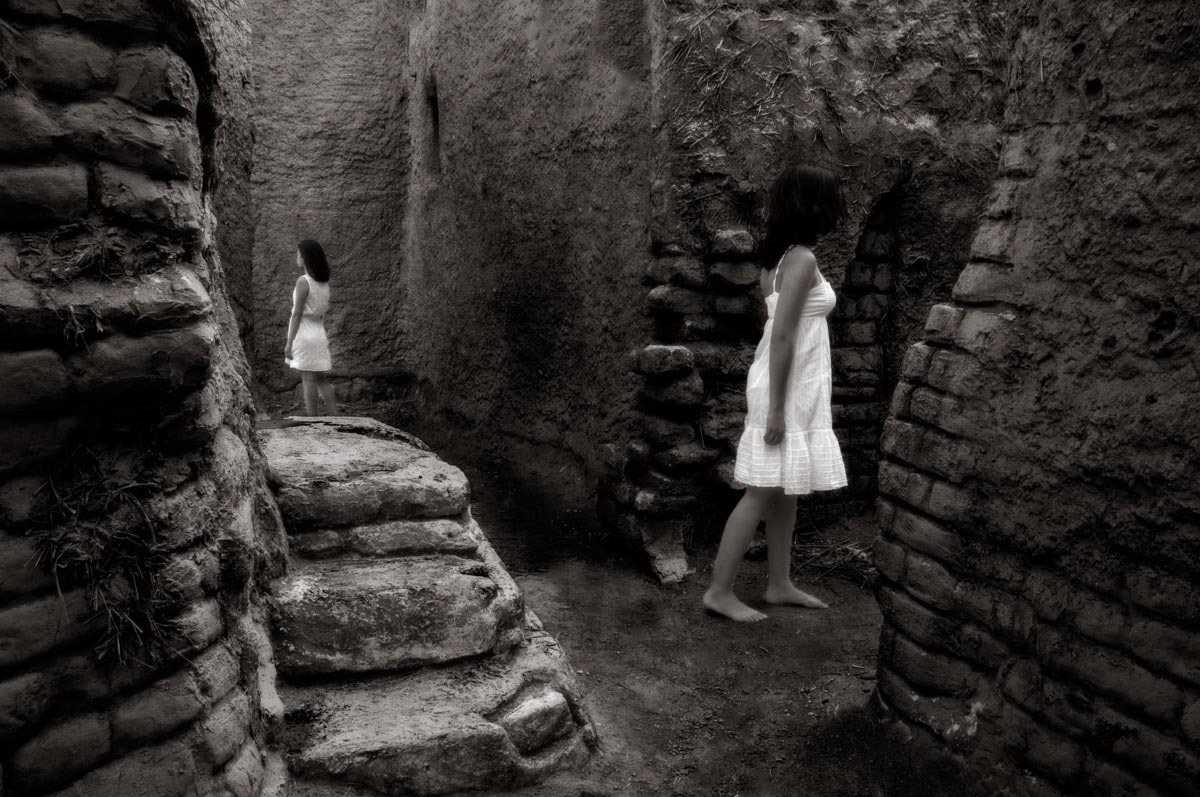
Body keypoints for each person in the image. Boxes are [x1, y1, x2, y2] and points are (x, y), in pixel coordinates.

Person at [702, 164, 848, 622]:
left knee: (787, 489)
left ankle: (779, 583)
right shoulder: (800, 260)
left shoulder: (780, 258)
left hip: (795, 387)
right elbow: (783, 336)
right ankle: (719, 592)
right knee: (762, 490)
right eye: (829, 198)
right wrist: (778, 412)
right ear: (812, 204)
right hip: (783, 389)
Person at [284, 239, 339, 416]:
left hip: (304, 333)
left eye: (298, 254)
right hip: (319, 332)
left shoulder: (303, 282)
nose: (296, 257)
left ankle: (312, 420)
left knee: (308, 378)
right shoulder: (323, 283)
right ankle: (336, 416)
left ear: (305, 258)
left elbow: (297, 314)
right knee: (321, 378)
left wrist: (289, 342)